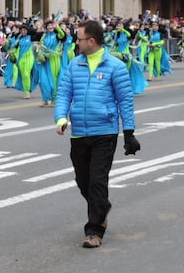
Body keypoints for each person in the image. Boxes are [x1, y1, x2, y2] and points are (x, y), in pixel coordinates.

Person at [54, 20, 140, 249]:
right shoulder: (74, 65)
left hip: (105, 131)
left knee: (97, 181)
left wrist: (129, 132)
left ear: (91, 41)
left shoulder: (115, 66)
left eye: (79, 39)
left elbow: (125, 101)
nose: (76, 42)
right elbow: (63, 93)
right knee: (83, 181)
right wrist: (61, 118)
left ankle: (94, 230)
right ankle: (101, 207)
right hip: (79, 133)